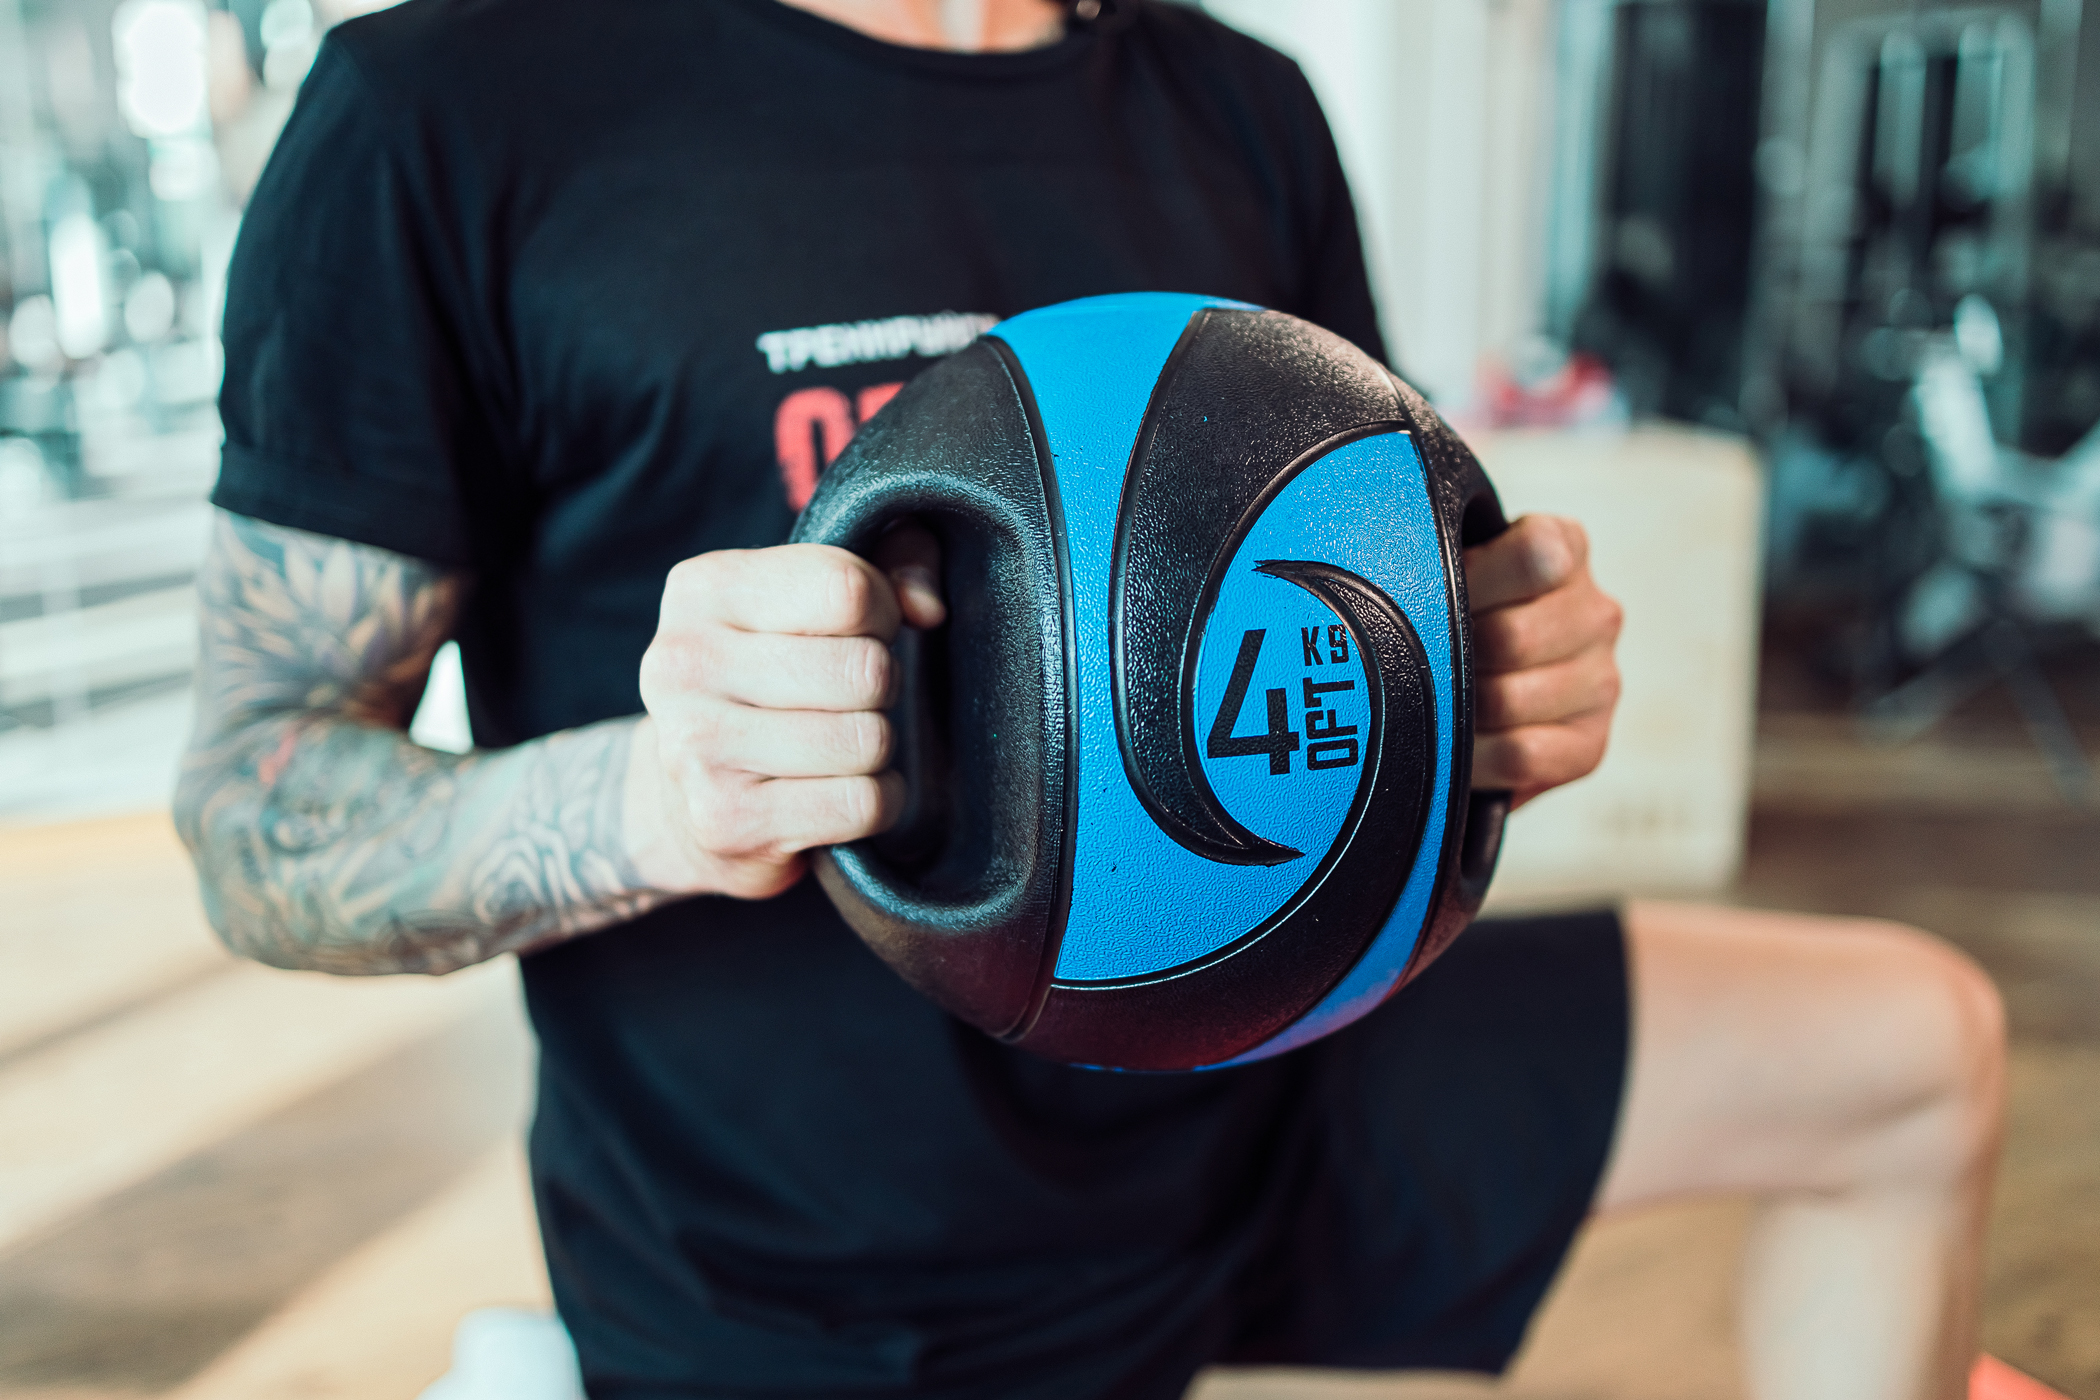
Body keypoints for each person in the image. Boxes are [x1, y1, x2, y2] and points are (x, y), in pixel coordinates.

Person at [175, 2, 2006, 1397]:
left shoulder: (1240, 107)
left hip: (1273, 1073)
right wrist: (664, 799)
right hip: (817, 1287)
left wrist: (1490, 690)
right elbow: (262, 818)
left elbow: (1355, 605)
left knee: (1912, 1056)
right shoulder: (448, 108)